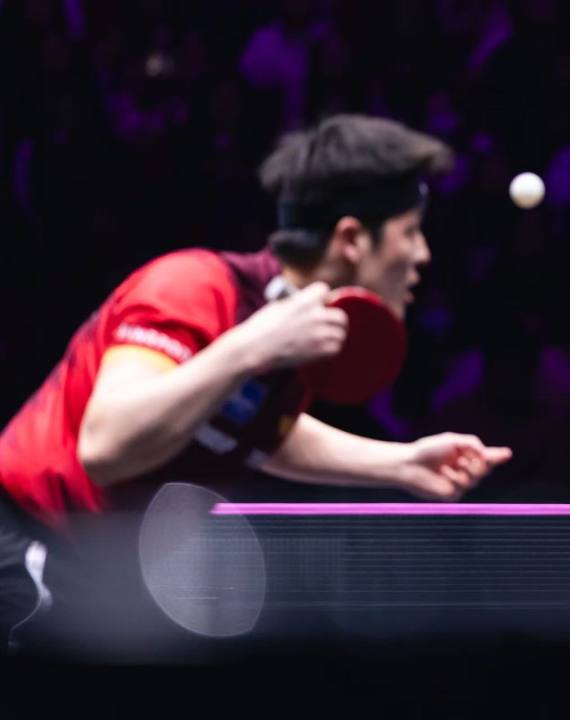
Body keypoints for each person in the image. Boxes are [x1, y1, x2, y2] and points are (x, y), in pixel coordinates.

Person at [0, 114, 512, 644]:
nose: (423, 255)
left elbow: (247, 428)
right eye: (410, 232)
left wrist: (400, 463)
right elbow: (106, 447)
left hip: (97, 574)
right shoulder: (193, 287)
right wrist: (250, 348)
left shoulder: (295, 334)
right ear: (351, 239)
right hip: (23, 541)